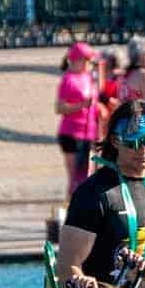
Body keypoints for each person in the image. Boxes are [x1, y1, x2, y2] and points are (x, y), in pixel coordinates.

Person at [57, 100, 145, 285]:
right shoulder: (93, 192)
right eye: (135, 141)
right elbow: (66, 267)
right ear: (116, 141)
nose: (144, 150)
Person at [56, 41, 99, 200]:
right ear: (78, 60)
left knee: (87, 175)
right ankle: (71, 211)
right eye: (88, 60)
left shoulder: (90, 78)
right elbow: (59, 108)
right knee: (75, 178)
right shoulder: (69, 79)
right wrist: (81, 105)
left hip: (89, 132)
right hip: (72, 133)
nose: (90, 64)